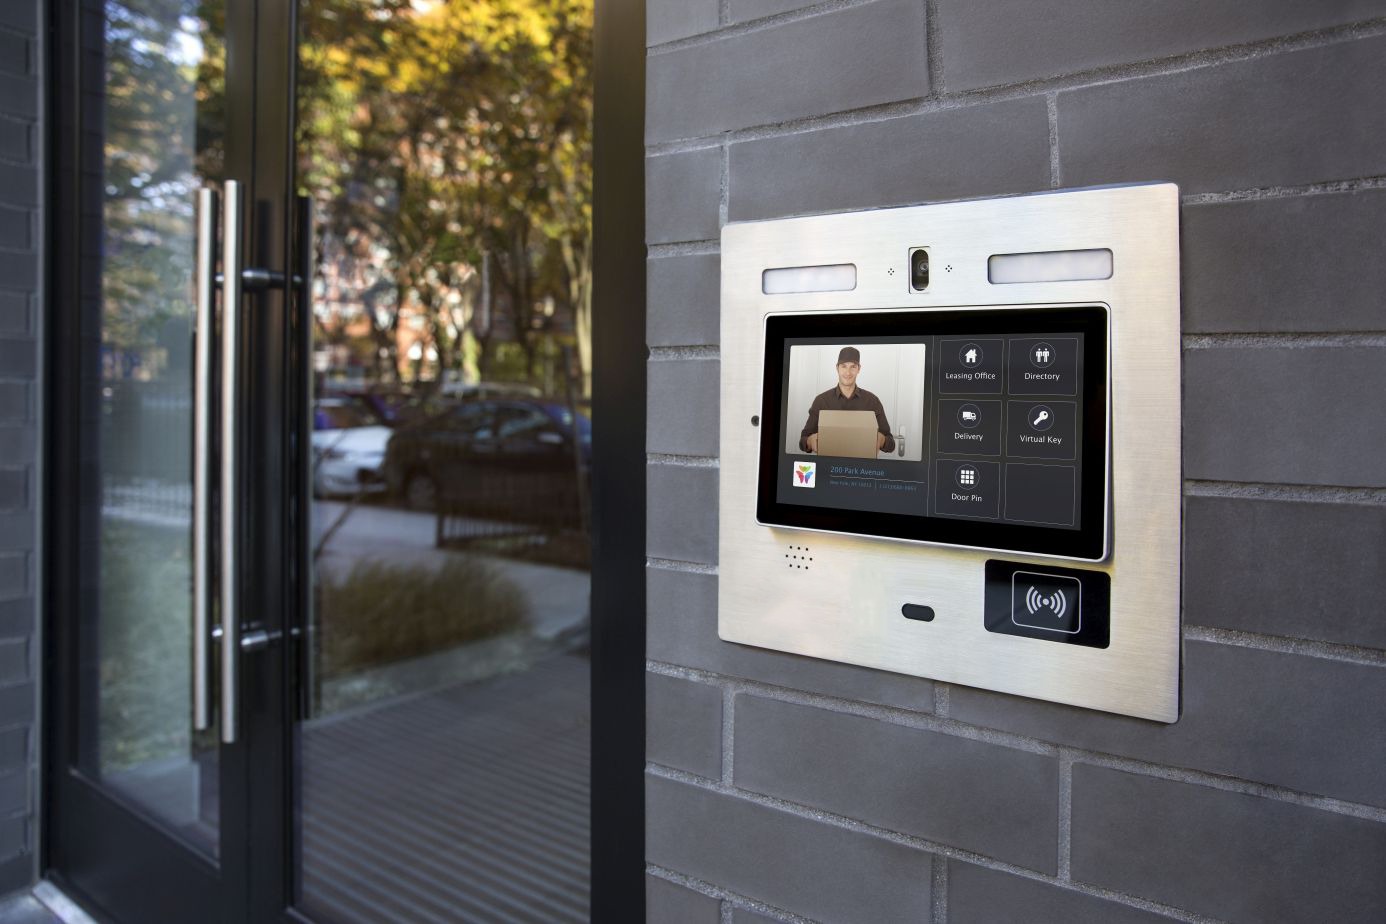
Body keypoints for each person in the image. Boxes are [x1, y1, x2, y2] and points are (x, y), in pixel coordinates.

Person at [799, 347, 895, 455]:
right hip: (828, 466)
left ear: (859, 368)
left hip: (862, 468)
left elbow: (891, 443)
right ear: (837, 368)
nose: (848, 372)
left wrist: (882, 440)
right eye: (843, 366)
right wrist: (810, 441)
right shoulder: (821, 400)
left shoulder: (872, 401)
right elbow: (803, 441)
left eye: (853, 367)